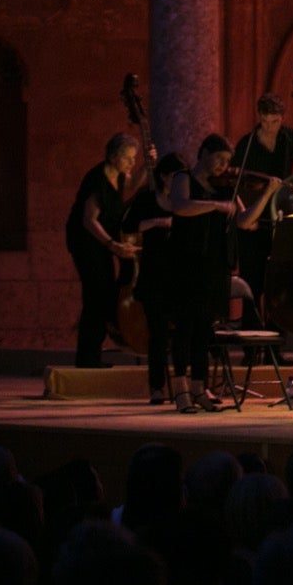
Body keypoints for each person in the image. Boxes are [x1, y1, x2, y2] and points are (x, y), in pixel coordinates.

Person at [170, 134, 280, 413]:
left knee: (204, 329)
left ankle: (199, 388)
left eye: (227, 161)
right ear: (204, 152)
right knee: (185, 327)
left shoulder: (225, 188)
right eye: (219, 158)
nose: (223, 165)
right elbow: (179, 206)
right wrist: (216, 206)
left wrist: (267, 193)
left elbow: (244, 221)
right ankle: (181, 390)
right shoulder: (184, 178)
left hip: (216, 264)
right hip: (187, 262)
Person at [231, 94, 293, 331]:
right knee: (253, 282)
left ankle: (276, 339)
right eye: (265, 121)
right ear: (259, 117)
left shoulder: (290, 139)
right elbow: (235, 186)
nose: (269, 126)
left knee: (278, 283)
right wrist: (245, 215)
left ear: (282, 118)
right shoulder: (247, 144)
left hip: (281, 218)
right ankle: (251, 340)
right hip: (255, 219)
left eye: (274, 121)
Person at [65, 132, 151, 368]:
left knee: (102, 295)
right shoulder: (98, 180)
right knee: (96, 295)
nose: (132, 162)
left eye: (134, 158)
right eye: (128, 158)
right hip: (87, 242)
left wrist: (147, 165)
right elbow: (89, 220)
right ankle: (87, 358)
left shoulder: (120, 174)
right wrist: (112, 245)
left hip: (102, 242)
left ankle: (90, 356)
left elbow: (133, 184)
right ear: (113, 157)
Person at [122, 153, 188, 405]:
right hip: (154, 274)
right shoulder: (147, 199)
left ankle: (185, 384)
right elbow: (128, 226)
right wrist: (157, 222)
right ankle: (157, 387)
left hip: (179, 274)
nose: (179, 182)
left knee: (183, 332)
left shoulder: (185, 200)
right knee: (157, 334)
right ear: (163, 176)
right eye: (174, 177)